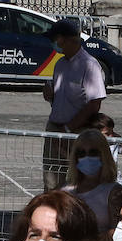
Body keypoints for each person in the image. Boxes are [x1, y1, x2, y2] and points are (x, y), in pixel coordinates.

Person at [41, 18, 105, 191]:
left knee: (74, 182)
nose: (54, 44)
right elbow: (60, 98)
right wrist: (50, 95)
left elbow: (94, 103)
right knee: (51, 180)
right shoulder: (60, 64)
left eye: (56, 40)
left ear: (66, 40)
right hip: (55, 127)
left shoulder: (89, 65)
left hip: (76, 131)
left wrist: (69, 129)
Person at [61, 128, 120, 235]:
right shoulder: (64, 190)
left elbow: (117, 233)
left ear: (104, 155)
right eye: (81, 153)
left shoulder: (113, 191)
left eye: (93, 153)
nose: (87, 158)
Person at [87, 112, 122, 180]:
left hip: (111, 177)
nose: (111, 136)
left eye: (112, 132)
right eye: (107, 134)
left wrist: (120, 139)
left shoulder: (113, 144)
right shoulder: (91, 145)